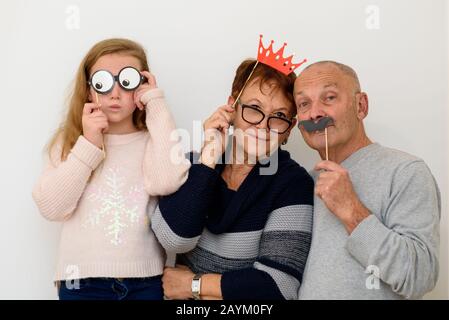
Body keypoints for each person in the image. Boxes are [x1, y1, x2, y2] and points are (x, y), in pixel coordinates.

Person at [32, 38, 190, 300]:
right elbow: (52, 207)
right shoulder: (70, 141)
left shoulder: (152, 140)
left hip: (146, 282)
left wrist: (155, 102)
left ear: (141, 86)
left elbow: (166, 181)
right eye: (104, 82)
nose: (115, 93)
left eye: (126, 81)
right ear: (89, 89)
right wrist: (90, 144)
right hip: (81, 283)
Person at [151, 59, 314, 300]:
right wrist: (208, 160)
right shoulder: (196, 164)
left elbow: (277, 287)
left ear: (289, 129)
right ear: (232, 107)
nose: (262, 126)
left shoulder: (293, 183)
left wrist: (193, 285)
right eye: (254, 108)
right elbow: (173, 240)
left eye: (278, 116)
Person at [294, 60, 440, 299]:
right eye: (303, 103)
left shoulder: (406, 171)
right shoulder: (302, 183)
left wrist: (351, 211)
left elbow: (419, 276)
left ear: (360, 106)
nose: (315, 113)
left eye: (329, 97)